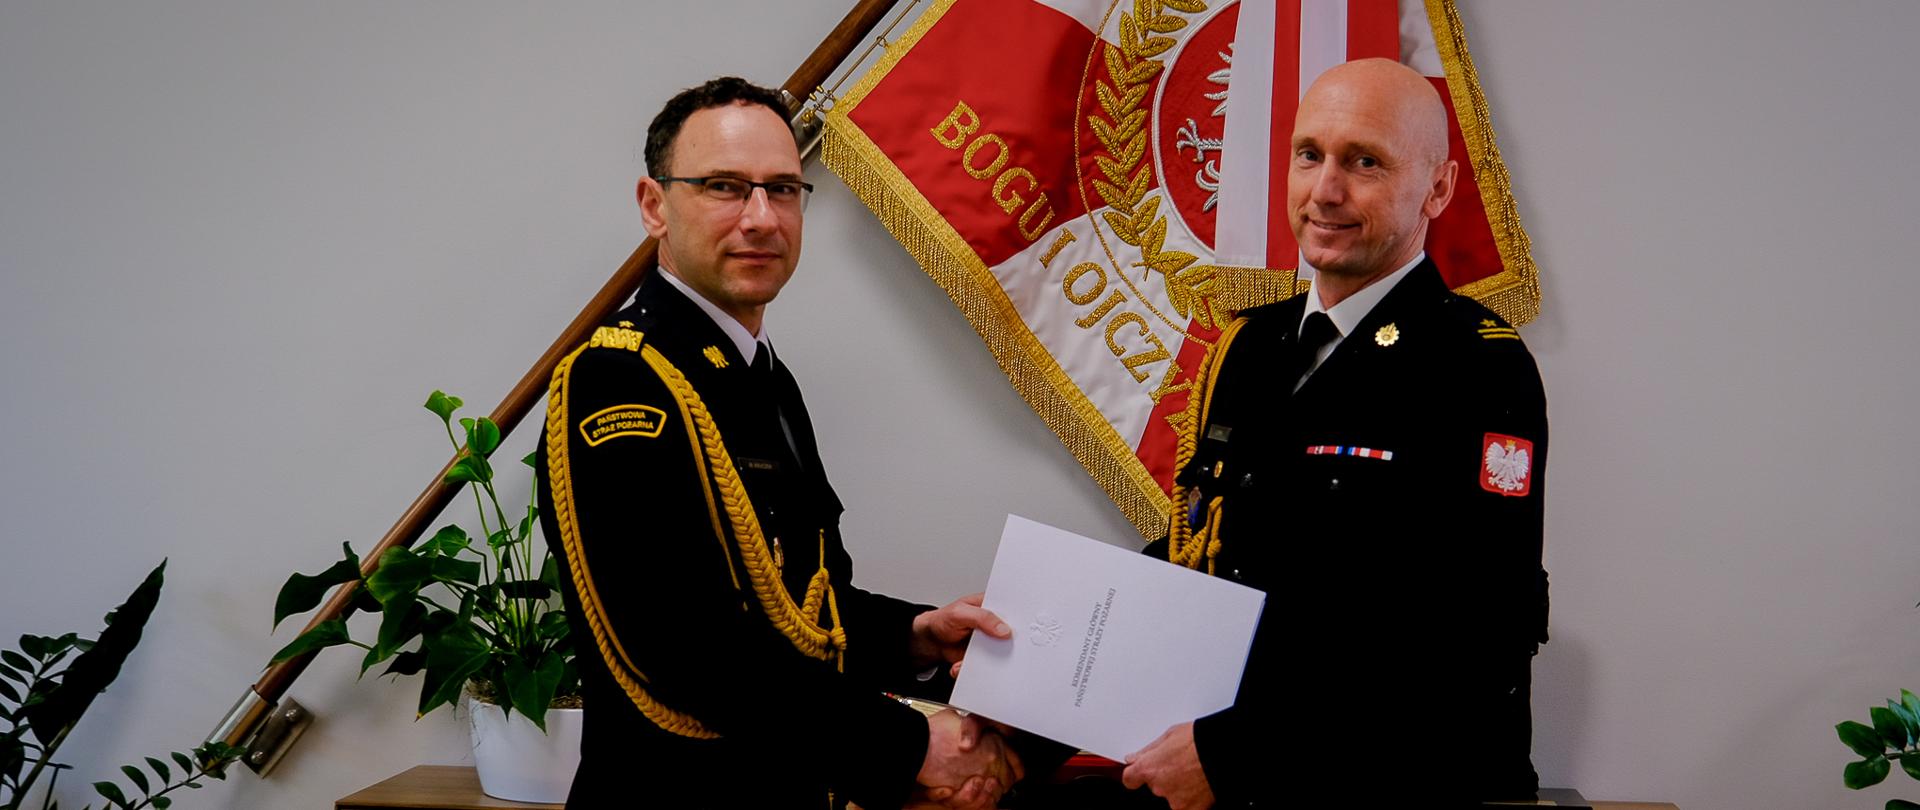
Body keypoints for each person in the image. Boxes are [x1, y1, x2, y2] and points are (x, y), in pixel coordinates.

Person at [537, 76, 1022, 809]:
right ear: (654, 205)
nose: (762, 218)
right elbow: (682, 644)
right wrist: (907, 748)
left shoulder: (761, 374)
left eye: (784, 190)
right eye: (725, 187)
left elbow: (800, 605)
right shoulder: (618, 379)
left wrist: (918, 635)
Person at [1122, 58, 1551, 808]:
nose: (1325, 190)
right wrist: (1038, 653)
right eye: (1309, 154)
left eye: (1365, 162)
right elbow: (1205, 556)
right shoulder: (1248, 349)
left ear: (1438, 188)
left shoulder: (1479, 367)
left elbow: (1471, 632)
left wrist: (1231, 756)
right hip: (1238, 780)